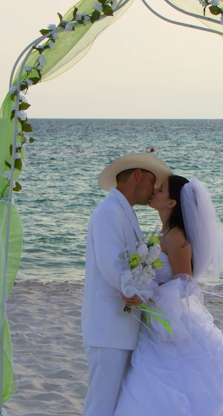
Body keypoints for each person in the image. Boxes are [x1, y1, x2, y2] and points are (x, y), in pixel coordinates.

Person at [115, 175, 223, 416]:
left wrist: (148, 295)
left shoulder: (177, 237)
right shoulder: (161, 234)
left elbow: (185, 284)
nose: (155, 190)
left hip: (174, 320)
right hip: (158, 321)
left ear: (171, 203)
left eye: (162, 189)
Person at [81, 153, 173, 416]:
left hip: (122, 329)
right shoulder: (109, 211)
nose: (154, 189)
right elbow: (113, 266)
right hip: (108, 328)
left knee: (116, 405)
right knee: (100, 406)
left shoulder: (124, 211)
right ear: (137, 175)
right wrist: (139, 292)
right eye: (152, 181)